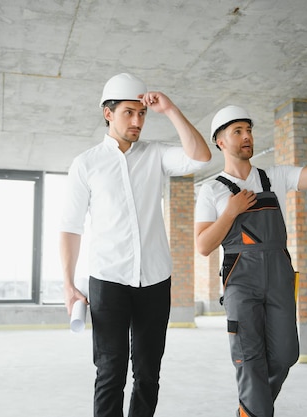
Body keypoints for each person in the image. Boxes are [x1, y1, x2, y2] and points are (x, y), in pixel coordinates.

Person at [194, 103, 307, 417]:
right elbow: (203, 245)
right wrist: (231, 211)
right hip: (241, 282)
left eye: (248, 130)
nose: (247, 136)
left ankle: (249, 409)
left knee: (286, 354)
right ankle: (255, 411)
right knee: (249, 359)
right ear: (220, 141)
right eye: (238, 131)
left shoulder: (273, 177)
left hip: (278, 278)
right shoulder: (211, 191)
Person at [59, 72, 211, 417]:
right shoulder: (86, 164)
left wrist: (170, 109)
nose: (137, 120)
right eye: (129, 112)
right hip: (108, 279)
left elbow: (201, 158)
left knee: (148, 373)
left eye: (141, 113)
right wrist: (69, 284)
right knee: (110, 372)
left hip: (155, 280)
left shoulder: (156, 154)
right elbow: (69, 227)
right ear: (107, 113)